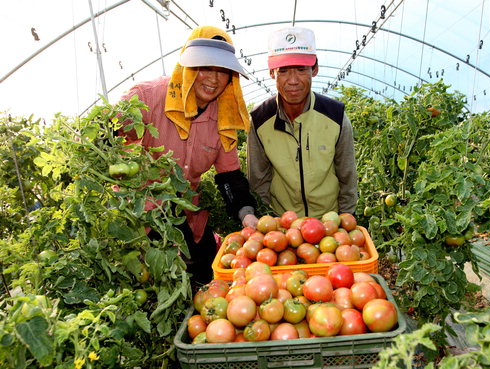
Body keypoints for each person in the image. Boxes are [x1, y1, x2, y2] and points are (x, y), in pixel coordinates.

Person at [119, 25, 258, 284]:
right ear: (186, 66)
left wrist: (247, 215)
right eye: (205, 67)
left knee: (207, 278)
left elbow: (229, 176)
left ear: (231, 78)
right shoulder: (147, 98)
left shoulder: (223, 118)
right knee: (151, 286)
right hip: (141, 218)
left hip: (187, 216)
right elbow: (105, 139)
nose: (213, 79)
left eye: (222, 71)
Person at [247, 26, 358, 218]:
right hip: (282, 225)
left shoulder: (335, 116)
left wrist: (346, 219)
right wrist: (265, 223)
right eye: (283, 71)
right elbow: (259, 181)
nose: (293, 80)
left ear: (314, 69)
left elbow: (347, 175)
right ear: (272, 73)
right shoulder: (260, 120)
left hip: (328, 223)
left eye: (301, 69)